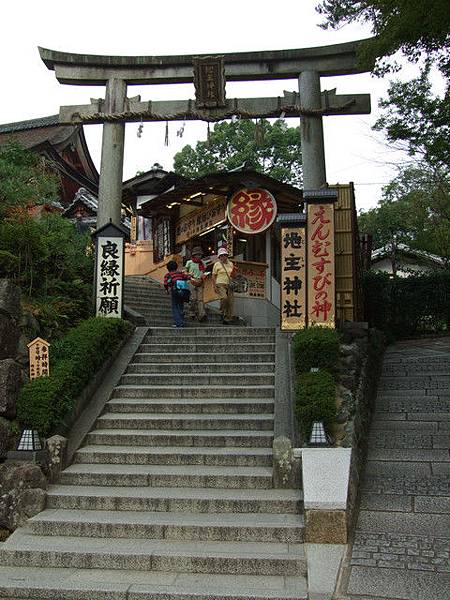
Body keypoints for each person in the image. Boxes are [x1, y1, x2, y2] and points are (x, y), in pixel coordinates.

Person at [212, 247, 236, 324]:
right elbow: (213, 276)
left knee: (230, 301)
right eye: (221, 255)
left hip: (229, 284)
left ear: (227, 255)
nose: (223, 257)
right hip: (220, 283)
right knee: (224, 298)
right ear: (219, 257)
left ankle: (227, 318)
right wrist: (214, 286)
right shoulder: (217, 264)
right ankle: (221, 311)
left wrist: (234, 273)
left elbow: (233, 275)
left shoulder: (231, 264)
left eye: (224, 255)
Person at [163, 260, 190, 328]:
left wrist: (167, 290)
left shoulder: (168, 275)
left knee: (175, 306)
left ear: (168, 268)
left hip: (175, 291)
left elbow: (166, 283)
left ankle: (179, 322)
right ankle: (181, 317)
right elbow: (187, 277)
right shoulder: (180, 273)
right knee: (180, 305)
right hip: (183, 291)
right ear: (176, 267)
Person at [185, 246, 207, 322]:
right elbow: (185, 271)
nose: (199, 256)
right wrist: (188, 275)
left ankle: (202, 315)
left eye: (200, 255)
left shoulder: (203, 263)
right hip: (191, 281)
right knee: (193, 299)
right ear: (194, 255)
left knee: (200, 299)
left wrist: (203, 277)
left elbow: (203, 272)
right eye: (197, 255)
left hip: (200, 281)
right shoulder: (189, 262)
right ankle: (192, 313)